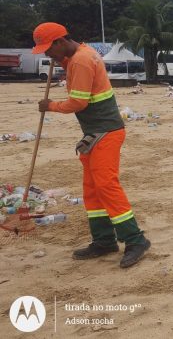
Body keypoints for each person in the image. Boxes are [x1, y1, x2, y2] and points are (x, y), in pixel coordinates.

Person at [33, 23, 151, 268]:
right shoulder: (77, 56)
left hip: (106, 132)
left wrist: (51, 106)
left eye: (48, 50)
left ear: (60, 42)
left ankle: (135, 239)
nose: (47, 55)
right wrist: (63, 63)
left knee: (107, 185)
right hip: (95, 133)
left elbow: (78, 103)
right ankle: (104, 240)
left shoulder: (81, 60)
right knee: (92, 189)